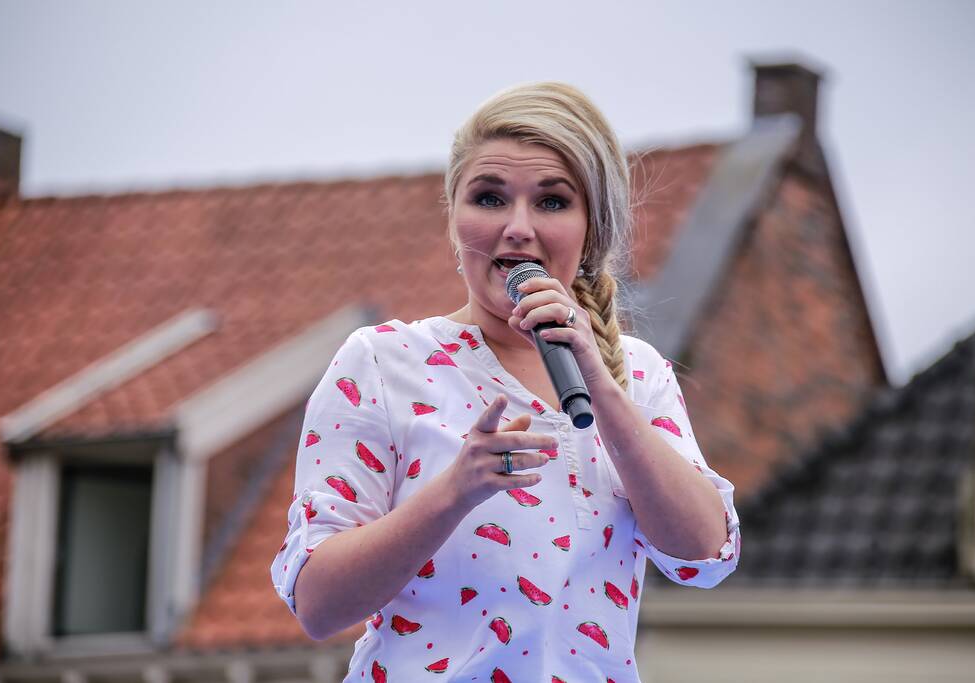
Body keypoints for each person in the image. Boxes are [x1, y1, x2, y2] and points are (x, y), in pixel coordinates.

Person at [271, 82, 741, 682]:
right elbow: (318, 605)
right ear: (453, 219)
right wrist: (456, 490)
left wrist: (597, 377)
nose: (518, 228)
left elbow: (703, 557)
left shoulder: (640, 375)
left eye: (551, 202)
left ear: (591, 229)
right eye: (490, 198)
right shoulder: (384, 363)